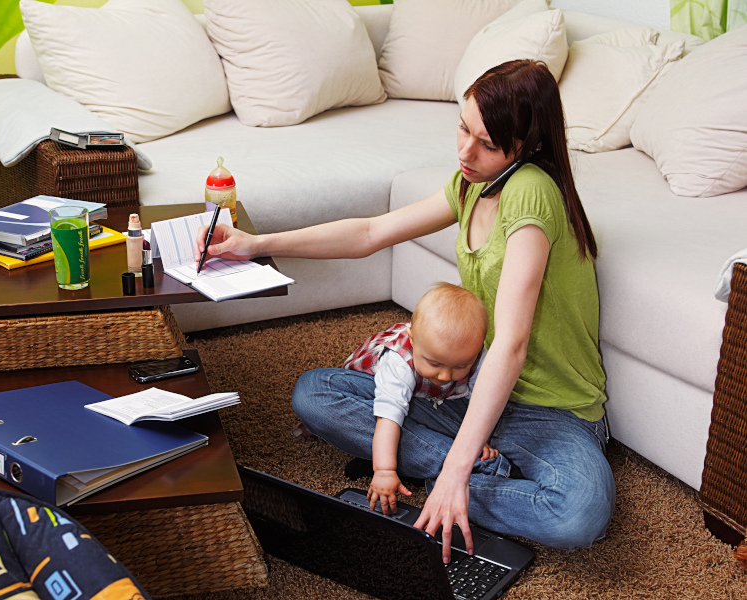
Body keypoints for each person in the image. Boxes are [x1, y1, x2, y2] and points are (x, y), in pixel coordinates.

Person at [193, 59, 614, 562]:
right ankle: (478, 472)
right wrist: (255, 242)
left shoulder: (531, 194)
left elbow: (512, 344)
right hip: (467, 390)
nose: (465, 151)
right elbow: (370, 233)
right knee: (315, 394)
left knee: (579, 514)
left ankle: (451, 475)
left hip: (550, 410)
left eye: (488, 144)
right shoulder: (473, 183)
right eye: (463, 128)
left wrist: (455, 468)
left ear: (529, 144)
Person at [339, 282, 503, 517]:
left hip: (435, 400)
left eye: (461, 366)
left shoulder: (480, 358)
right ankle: (388, 459)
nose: (445, 376)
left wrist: (479, 439)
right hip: (372, 391)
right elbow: (388, 420)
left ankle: (419, 461)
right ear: (413, 339)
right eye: (435, 363)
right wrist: (384, 470)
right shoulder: (398, 362)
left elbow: (483, 404)